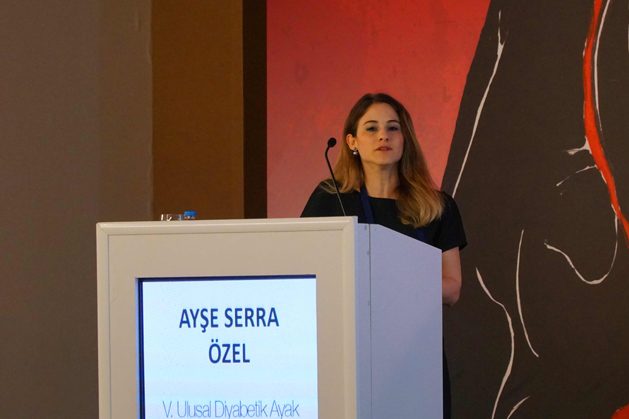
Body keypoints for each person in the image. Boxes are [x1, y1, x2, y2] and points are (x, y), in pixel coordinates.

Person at [301, 92, 466, 419]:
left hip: (416, 356)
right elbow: (307, 275)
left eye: (393, 128)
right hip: (348, 355)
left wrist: (389, 286)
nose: (383, 136)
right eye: (371, 128)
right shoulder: (329, 199)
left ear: (405, 139)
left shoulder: (437, 206)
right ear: (352, 141)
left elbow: (452, 288)